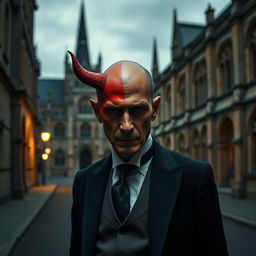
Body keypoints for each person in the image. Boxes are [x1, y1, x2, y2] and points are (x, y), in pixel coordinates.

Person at [68, 51, 229, 256]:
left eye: (137, 110)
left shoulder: (194, 178)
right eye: (114, 111)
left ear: (154, 109)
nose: (126, 126)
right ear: (97, 112)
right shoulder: (84, 182)